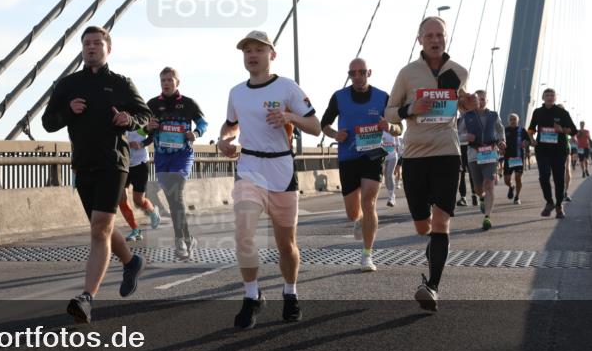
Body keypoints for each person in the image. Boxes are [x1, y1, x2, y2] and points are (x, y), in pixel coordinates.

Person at [42, 26, 150, 324]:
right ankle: (131, 261)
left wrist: (130, 119)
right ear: (82, 49)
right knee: (99, 226)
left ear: (108, 49)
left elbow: (146, 118)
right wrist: (68, 112)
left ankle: (87, 297)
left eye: (97, 43)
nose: (91, 47)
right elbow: (48, 123)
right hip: (83, 163)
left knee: (100, 226)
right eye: (87, 43)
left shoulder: (121, 84)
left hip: (114, 163)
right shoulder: (67, 85)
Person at [216, 30, 320, 329]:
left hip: (282, 172)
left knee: (286, 245)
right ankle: (251, 296)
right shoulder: (236, 92)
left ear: (271, 55)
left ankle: (290, 293)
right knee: (243, 232)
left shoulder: (287, 88)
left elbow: (314, 126)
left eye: (259, 50)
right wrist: (223, 140)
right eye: (247, 50)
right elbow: (230, 126)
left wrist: (290, 118)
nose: (252, 55)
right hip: (249, 168)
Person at [385, 16, 477, 312]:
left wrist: (468, 103)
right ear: (420, 40)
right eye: (429, 35)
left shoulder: (459, 71)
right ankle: (432, 251)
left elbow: (460, 102)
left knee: (441, 222)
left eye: (440, 35)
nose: (435, 40)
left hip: (447, 153)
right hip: (415, 156)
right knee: (423, 225)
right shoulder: (407, 73)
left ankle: (432, 286)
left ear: (446, 39)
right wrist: (411, 108)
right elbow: (389, 112)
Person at [320, 58, 401, 271]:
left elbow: (399, 127)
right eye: (353, 73)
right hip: (348, 156)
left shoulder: (382, 97)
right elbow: (324, 124)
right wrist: (335, 134)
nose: (357, 77)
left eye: (361, 72)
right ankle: (359, 221)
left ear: (369, 73)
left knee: (369, 201)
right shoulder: (339, 97)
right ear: (349, 74)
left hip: (373, 155)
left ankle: (367, 255)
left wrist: (390, 126)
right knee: (353, 212)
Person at [146, 67, 207, 260]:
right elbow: (144, 132)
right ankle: (188, 238)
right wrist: (147, 127)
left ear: (177, 82)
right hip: (162, 158)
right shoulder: (153, 104)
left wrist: (195, 133)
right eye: (162, 80)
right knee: (174, 200)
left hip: (182, 156)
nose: (165, 83)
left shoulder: (188, 103)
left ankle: (179, 240)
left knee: (176, 195)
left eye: (169, 80)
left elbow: (203, 123)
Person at [458, 90, 505, 230]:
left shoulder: (494, 115)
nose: (481, 101)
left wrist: (502, 141)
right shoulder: (467, 116)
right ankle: (481, 198)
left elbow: (500, 130)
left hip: (490, 152)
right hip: (474, 153)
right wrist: (466, 137)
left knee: (489, 183)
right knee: (478, 188)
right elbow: (457, 135)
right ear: (474, 102)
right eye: (478, 99)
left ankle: (487, 217)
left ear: (487, 101)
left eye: (483, 99)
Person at [526, 87, 576, 219]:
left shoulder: (562, 112)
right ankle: (549, 202)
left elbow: (573, 130)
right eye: (547, 95)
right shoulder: (537, 112)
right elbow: (531, 129)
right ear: (543, 97)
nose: (549, 97)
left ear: (555, 98)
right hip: (542, 150)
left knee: (559, 178)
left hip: (559, 150)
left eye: (552, 95)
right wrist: (531, 140)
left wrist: (562, 130)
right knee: (544, 176)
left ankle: (559, 205)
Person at [118, 126, 162, 242]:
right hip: (123, 164)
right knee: (121, 198)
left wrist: (141, 144)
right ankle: (135, 230)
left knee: (138, 200)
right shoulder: (116, 119)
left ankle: (152, 211)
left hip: (140, 163)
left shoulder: (140, 119)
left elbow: (151, 134)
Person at [503, 113, 529, 204]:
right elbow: (500, 141)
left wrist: (525, 142)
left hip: (518, 158)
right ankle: (511, 186)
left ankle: (517, 197)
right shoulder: (505, 130)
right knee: (506, 180)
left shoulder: (522, 130)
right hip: (508, 158)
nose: (513, 121)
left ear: (518, 120)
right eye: (511, 119)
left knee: (518, 177)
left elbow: (528, 140)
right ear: (508, 121)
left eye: (514, 119)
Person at [383, 131, 403, 208]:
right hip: (383, 157)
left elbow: (397, 145)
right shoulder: (380, 131)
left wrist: (397, 155)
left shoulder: (393, 131)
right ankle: (390, 194)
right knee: (386, 176)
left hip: (392, 156)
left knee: (389, 175)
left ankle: (392, 197)